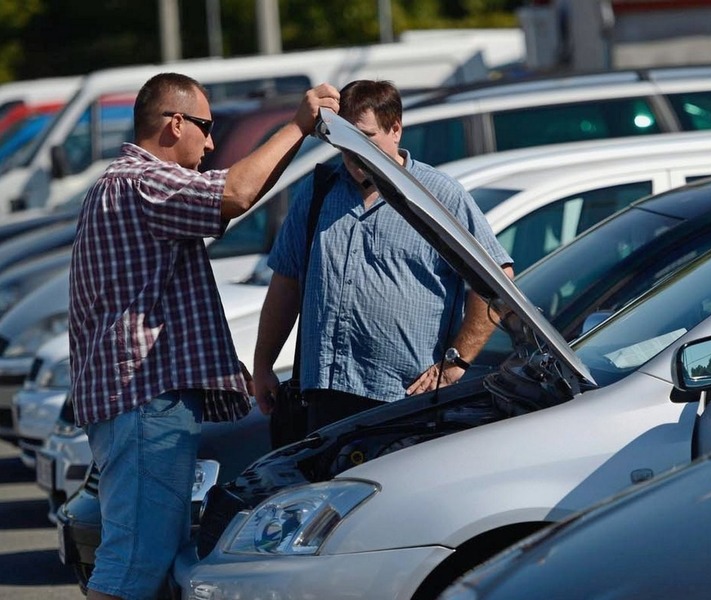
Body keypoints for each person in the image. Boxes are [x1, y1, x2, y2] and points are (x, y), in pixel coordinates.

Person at [68, 72, 339, 600]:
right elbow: (235, 193)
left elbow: (237, 197)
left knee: (148, 556)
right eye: (206, 127)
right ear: (175, 123)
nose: (212, 142)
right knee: (133, 566)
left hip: (139, 404)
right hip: (144, 404)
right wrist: (297, 126)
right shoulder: (141, 182)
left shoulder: (129, 185)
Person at [253, 79, 513, 436]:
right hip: (324, 397)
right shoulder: (318, 191)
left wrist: (455, 363)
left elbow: (497, 283)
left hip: (404, 401)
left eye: (366, 137)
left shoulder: (438, 197)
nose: (352, 151)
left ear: (396, 130)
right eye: (343, 138)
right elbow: (287, 281)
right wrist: (264, 362)